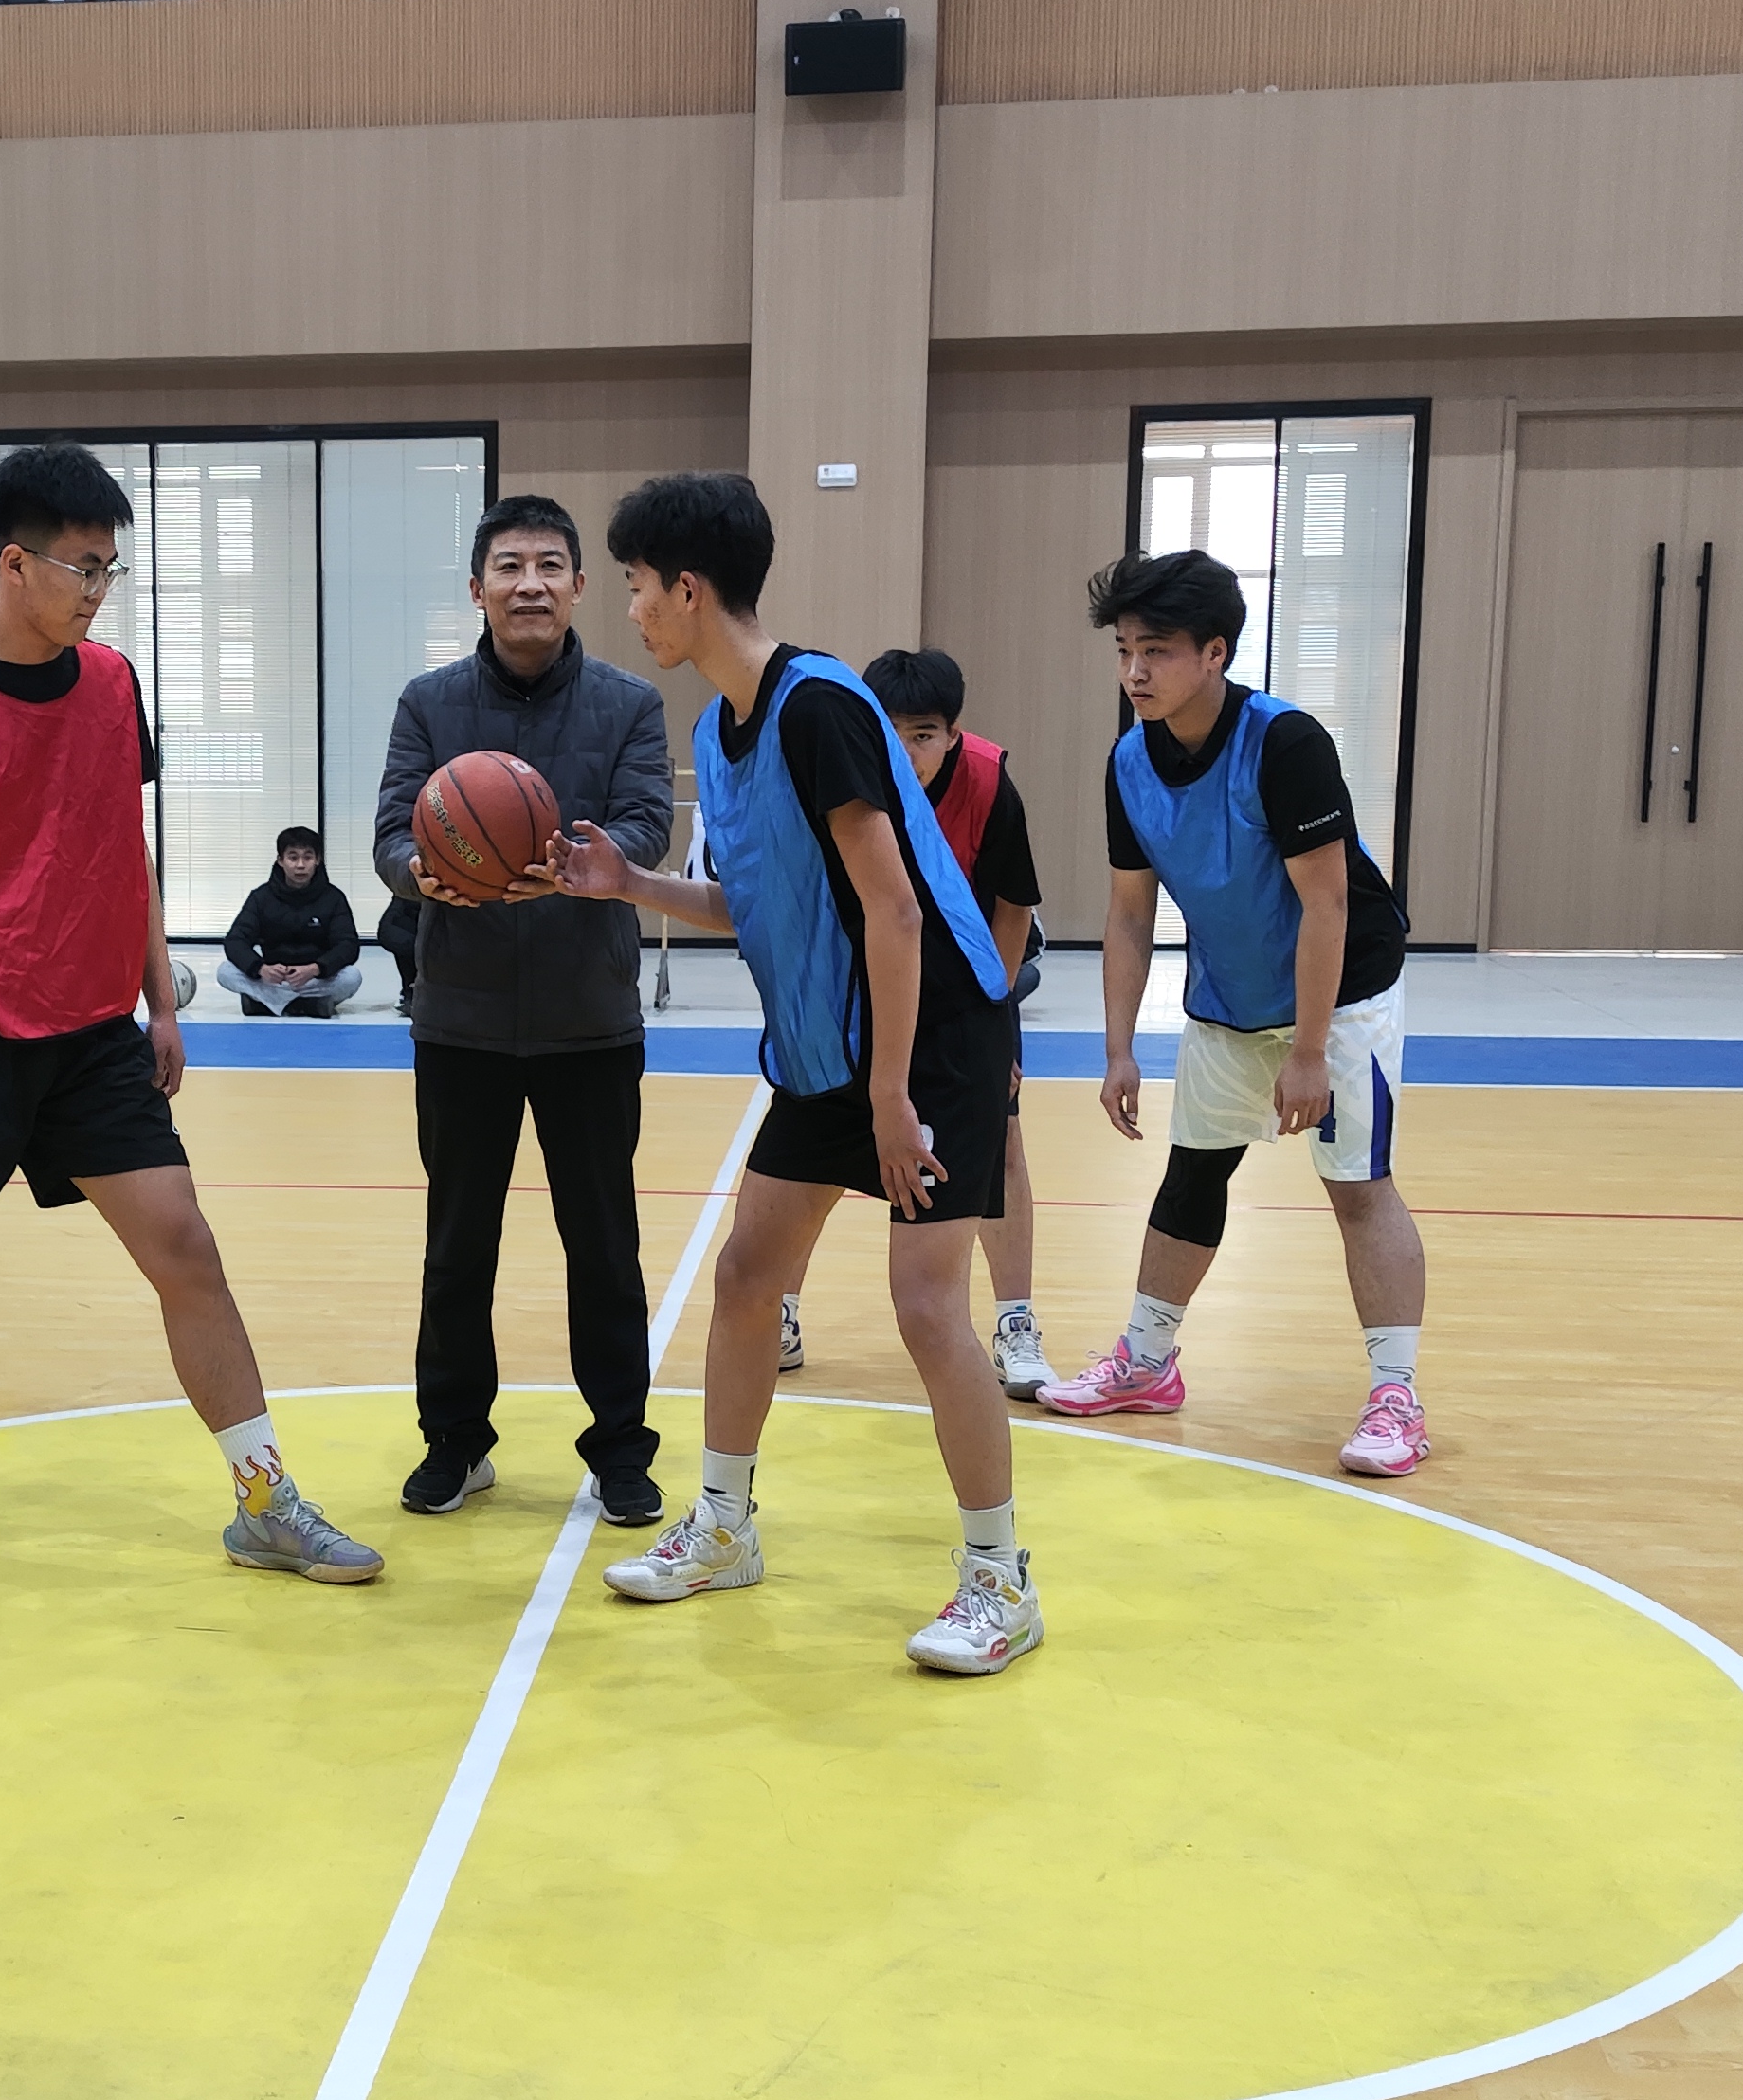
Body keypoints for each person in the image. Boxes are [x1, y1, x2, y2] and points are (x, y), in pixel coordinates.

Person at [0, 443, 381, 1584]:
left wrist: (160, 996)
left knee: (186, 1246)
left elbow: (125, 848)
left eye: (110, 567)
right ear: (13, 563)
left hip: (90, 1032)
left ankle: (265, 1499)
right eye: (81, 566)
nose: (98, 589)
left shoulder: (113, 684)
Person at [543, 472, 1043, 1676]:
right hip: (828, 1049)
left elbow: (896, 911)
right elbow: (758, 905)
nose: (630, 611)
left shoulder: (819, 707)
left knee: (926, 1306)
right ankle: (725, 1524)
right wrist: (631, 884)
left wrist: (890, 1095)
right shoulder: (718, 732)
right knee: (745, 1274)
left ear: (688, 587)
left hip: (931, 1043)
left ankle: (999, 1579)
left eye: (635, 586)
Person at [1039, 549, 1430, 1478]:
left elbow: (1327, 903)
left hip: (1342, 992)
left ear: (1215, 652)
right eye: (1124, 650)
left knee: (1357, 1186)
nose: (1134, 671)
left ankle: (1397, 1397)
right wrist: (1118, 1049)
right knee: (1192, 1172)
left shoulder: (1286, 744)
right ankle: (1146, 1363)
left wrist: (1309, 1050)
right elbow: (1129, 913)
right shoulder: (1128, 762)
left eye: (1156, 651)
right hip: (1227, 995)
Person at [373, 490, 675, 1523]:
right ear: (478, 588)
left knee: (605, 1248)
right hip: (460, 1023)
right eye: (509, 566)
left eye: (550, 566)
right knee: (457, 1247)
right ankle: (455, 1443)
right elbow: (391, 835)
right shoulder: (428, 702)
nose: (530, 584)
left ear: (579, 586)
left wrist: (593, 860)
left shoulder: (630, 703)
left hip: (590, 1022)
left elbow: (648, 824)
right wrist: (423, 871)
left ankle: (621, 1448)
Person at [868, 646, 1054, 1399]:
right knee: (819, 1148)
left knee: (1000, 1141)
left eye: (924, 735)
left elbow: (1013, 909)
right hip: (867, 985)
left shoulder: (987, 784)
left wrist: (992, 1021)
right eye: (892, 733)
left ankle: (1016, 1323)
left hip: (967, 985)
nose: (908, 752)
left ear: (952, 734)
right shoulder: (846, 776)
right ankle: (780, 1310)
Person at [219, 824, 366, 1015]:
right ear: (280, 860)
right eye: (293, 857)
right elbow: (235, 940)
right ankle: (308, 1005)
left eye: (308, 857)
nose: (300, 865)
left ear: (317, 860)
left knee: (351, 977)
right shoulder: (261, 897)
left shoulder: (334, 898)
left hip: (314, 980)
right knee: (225, 971)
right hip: (273, 980)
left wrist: (315, 969)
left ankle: (269, 1002)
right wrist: (261, 968)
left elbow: (348, 945)